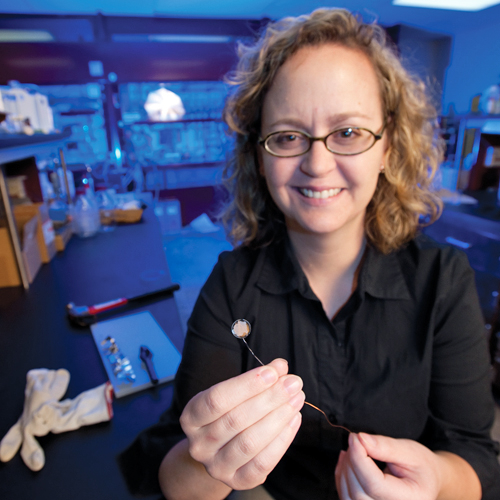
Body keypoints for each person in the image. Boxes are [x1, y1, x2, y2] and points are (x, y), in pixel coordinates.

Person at [119, 8, 500, 500]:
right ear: (260, 155)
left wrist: (437, 481)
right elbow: (174, 470)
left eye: (348, 133)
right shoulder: (231, 285)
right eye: (288, 136)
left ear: (387, 147)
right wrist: (205, 462)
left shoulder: (442, 281)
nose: (317, 164)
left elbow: (477, 460)